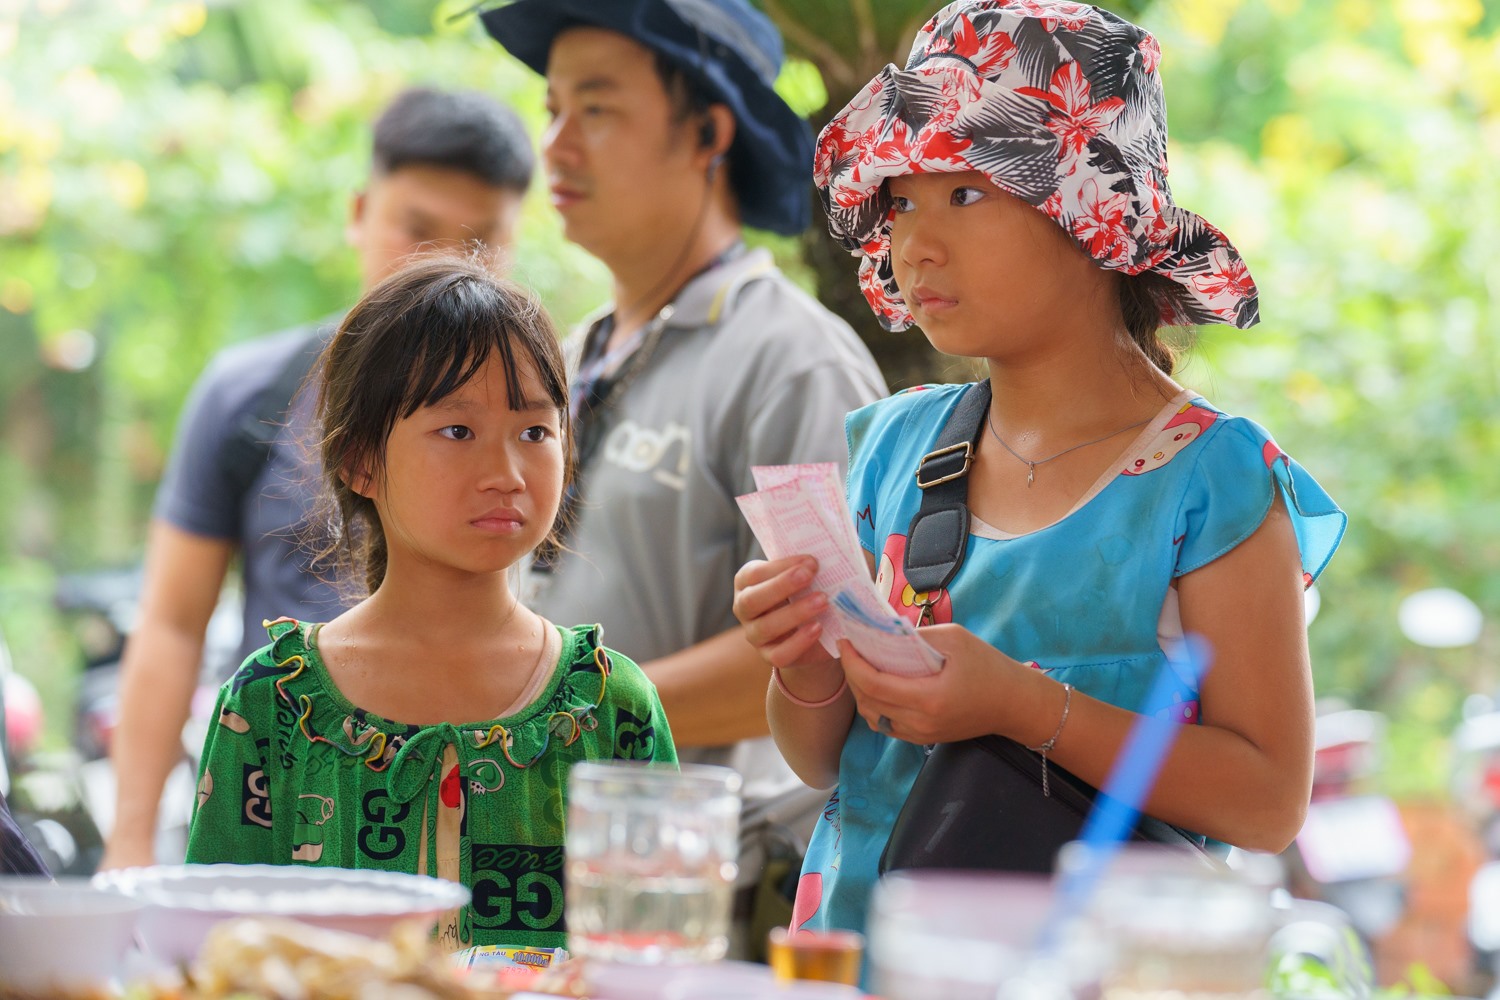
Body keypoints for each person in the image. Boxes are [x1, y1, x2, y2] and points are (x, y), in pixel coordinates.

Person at [732, 0, 1348, 950]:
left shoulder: (1210, 479)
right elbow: (821, 760)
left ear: (1091, 210)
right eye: (901, 199)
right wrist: (806, 665)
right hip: (852, 963)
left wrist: (1023, 707)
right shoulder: (892, 450)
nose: (915, 243)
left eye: (966, 195)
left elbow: (1269, 801)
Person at [479, 0, 888, 953]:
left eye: (598, 109)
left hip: (699, 910)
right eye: (551, 110)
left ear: (708, 131)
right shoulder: (570, 356)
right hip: (539, 887)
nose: (557, 145)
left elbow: (825, 653)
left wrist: (557, 714)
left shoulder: (791, 362)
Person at [185, 255, 677, 951]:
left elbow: (657, 963)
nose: (507, 474)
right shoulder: (271, 703)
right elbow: (217, 960)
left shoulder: (611, 705)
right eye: (458, 431)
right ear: (359, 460)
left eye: (535, 432)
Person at [102, 87, 535, 870]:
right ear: (360, 211)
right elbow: (171, 621)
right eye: (417, 228)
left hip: (471, 822)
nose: (442, 262)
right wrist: (130, 844)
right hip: (288, 809)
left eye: (480, 241)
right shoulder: (249, 395)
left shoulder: (539, 410)